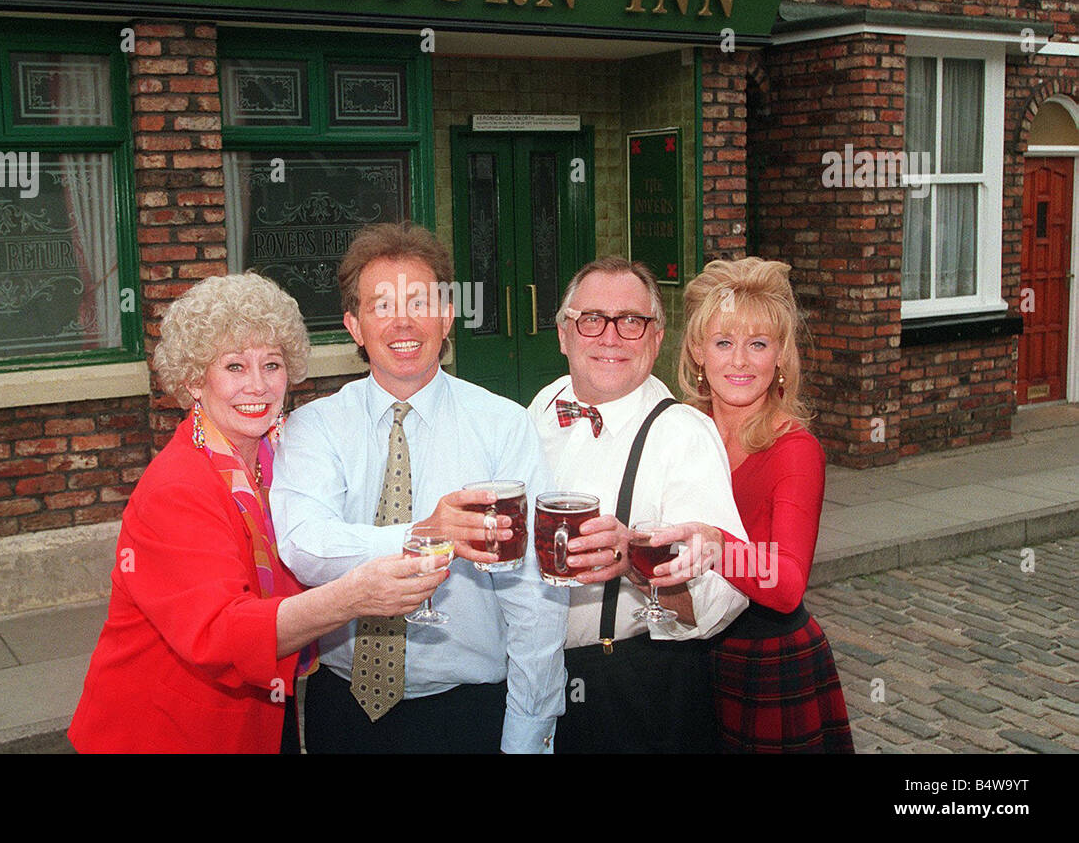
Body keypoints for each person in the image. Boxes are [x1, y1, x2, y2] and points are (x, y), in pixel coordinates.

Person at [68, 272, 449, 753]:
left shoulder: (283, 456)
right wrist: (350, 597)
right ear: (193, 380)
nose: (257, 385)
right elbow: (221, 634)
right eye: (233, 366)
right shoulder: (177, 489)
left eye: (271, 364)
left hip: (263, 716)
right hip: (166, 730)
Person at [272, 221, 568, 753]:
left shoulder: (502, 425)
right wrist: (424, 534)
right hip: (343, 710)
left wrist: (530, 727)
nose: (402, 320)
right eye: (380, 305)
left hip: (466, 714)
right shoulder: (314, 427)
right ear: (354, 326)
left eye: (419, 301)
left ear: (448, 314)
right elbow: (304, 546)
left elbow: (531, 592)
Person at [527, 256, 749, 753]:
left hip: (634, 689)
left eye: (631, 321)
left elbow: (722, 599)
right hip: (535, 679)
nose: (610, 337)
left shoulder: (683, 435)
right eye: (592, 319)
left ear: (656, 337)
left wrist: (636, 565)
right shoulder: (544, 405)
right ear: (564, 334)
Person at [649, 255, 854, 752]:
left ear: (780, 355)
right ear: (698, 351)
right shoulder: (679, 430)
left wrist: (718, 547)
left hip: (766, 663)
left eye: (757, 344)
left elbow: (786, 586)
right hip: (685, 655)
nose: (739, 361)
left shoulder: (796, 450)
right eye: (723, 342)